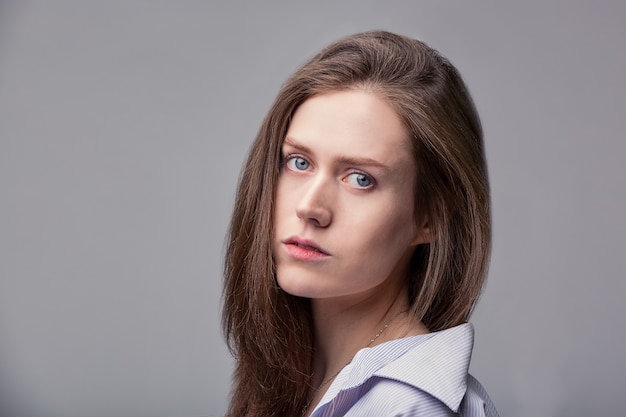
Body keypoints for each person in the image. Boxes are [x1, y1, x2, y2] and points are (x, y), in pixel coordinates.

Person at [222, 31, 499, 417]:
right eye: (299, 162)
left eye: (360, 178)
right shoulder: (298, 382)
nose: (309, 207)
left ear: (431, 216)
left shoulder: (411, 408)